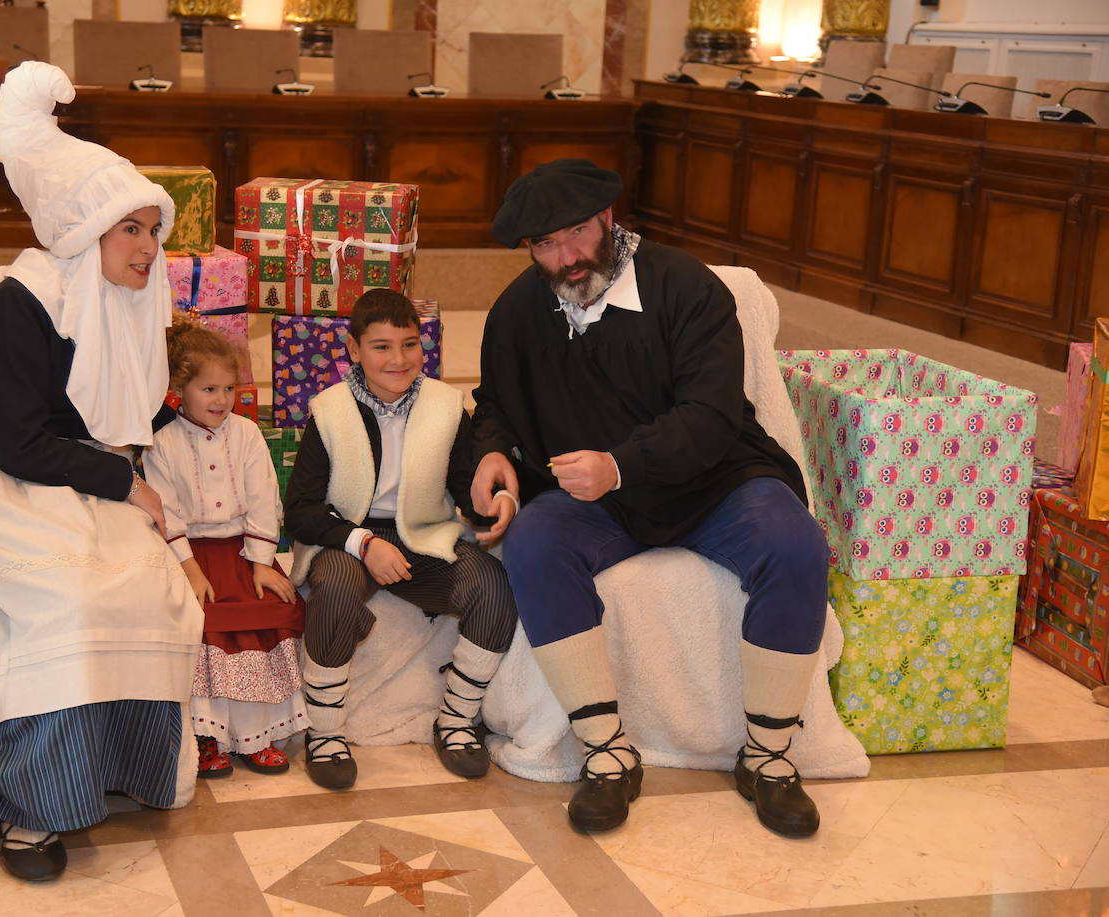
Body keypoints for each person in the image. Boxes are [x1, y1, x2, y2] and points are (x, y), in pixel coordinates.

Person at [0, 62, 202, 882]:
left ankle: (107, 774)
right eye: (131, 229)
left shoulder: (117, 307)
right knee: (59, 593)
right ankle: (22, 805)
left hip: (69, 476)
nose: (149, 248)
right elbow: (22, 442)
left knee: (138, 576)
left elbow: (113, 419)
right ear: (82, 228)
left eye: (154, 231)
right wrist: (131, 487)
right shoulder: (18, 305)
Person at [470, 159, 829, 836]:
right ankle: (607, 753)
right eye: (546, 244)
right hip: (596, 500)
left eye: (577, 233)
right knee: (537, 543)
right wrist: (490, 452)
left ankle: (770, 756)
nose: (568, 257)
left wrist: (620, 463)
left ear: (609, 219)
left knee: (795, 545)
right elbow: (494, 404)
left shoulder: (687, 287)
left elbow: (714, 414)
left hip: (713, 480)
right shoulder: (518, 312)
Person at [283, 289, 520, 790]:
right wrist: (364, 544)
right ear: (353, 350)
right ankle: (324, 733)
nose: (399, 360)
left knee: (493, 586)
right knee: (337, 592)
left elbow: (462, 484)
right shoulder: (329, 411)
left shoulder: (445, 405)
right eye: (382, 347)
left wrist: (490, 504)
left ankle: (456, 719)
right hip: (347, 537)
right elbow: (301, 510)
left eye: (410, 345)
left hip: (425, 535)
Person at [142, 320, 308, 778]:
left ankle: (256, 737)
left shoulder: (248, 434)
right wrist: (190, 570)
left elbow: (263, 498)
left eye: (229, 388)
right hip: (192, 556)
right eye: (208, 388)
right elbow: (166, 511)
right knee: (204, 634)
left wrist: (259, 562)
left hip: (242, 554)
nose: (221, 400)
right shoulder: (163, 442)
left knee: (258, 627)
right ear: (180, 389)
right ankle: (207, 738)